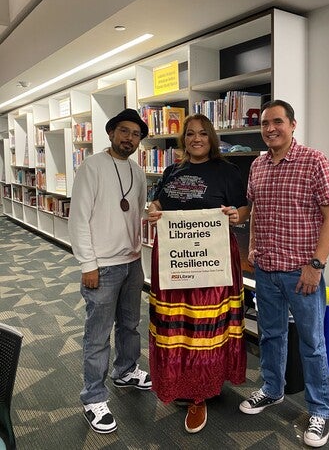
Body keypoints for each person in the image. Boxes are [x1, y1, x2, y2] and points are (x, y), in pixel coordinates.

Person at [239, 100, 329, 448]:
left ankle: (320, 410)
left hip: (302, 275)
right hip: (266, 272)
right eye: (265, 123)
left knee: (312, 344)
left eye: (277, 122)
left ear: (292, 125)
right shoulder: (257, 166)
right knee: (270, 336)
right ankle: (272, 390)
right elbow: (254, 211)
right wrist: (252, 248)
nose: (270, 129)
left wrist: (316, 266)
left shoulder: (315, 161)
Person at [147, 114, 250, 434]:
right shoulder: (171, 170)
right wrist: (153, 212)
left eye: (203, 134)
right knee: (178, 324)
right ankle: (179, 380)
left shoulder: (228, 171)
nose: (196, 139)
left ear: (212, 138)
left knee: (205, 326)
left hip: (213, 259)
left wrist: (236, 215)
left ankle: (200, 392)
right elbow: (157, 204)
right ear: (183, 140)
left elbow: (243, 208)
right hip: (176, 260)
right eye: (190, 134)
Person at [68, 108, 152, 435]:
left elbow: (139, 212)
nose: (129, 138)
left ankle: (125, 370)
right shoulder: (91, 167)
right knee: (98, 333)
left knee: (130, 325)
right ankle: (93, 395)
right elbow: (78, 220)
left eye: (136, 134)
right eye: (124, 131)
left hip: (132, 262)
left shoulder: (138, 171)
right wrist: (88, 264)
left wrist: (155, 214)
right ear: (112, 132)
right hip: (101, 265)